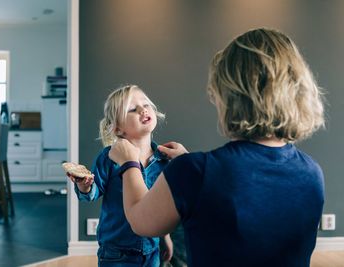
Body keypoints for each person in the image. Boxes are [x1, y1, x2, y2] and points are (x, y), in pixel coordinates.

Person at [109, 28, 325, 267]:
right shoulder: (313, 173)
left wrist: (129, 163)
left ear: (229, 96)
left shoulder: (194, 172)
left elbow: (141, 222)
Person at [67, 84, 173, 266]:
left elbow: (161, 206)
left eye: (146, 104)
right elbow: (92, 193)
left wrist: (165, 237)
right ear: (117, 129)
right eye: (132, 109)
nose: (142, 109)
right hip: (116, 252)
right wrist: (84, 185)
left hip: (152, 249)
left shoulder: (165, 160)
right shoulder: (108, 157)